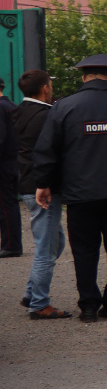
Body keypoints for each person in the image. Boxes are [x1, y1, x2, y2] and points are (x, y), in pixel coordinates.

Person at [31, 55, 107, 322]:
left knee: (85, 251)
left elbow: (47, 150)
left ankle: (88, 306)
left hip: (80, 193)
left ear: (83, 77)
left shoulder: (64, 108)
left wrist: (43, 183)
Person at [14, 71, 68, 318]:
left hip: (26, 183)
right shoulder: (47, 115)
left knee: (55, 242)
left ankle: (31, 293)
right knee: (46, 249)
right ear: (45, 89)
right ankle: (39, 304)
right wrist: (45, 183)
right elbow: (49, 153)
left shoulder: (17, 112)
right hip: (42, 188)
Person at [0, 78, 18, 257]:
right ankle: (11, 243)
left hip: (3, 163)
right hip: (13, 161)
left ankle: (10, 245)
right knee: (9, 203)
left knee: (4, 206)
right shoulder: (12, 106)